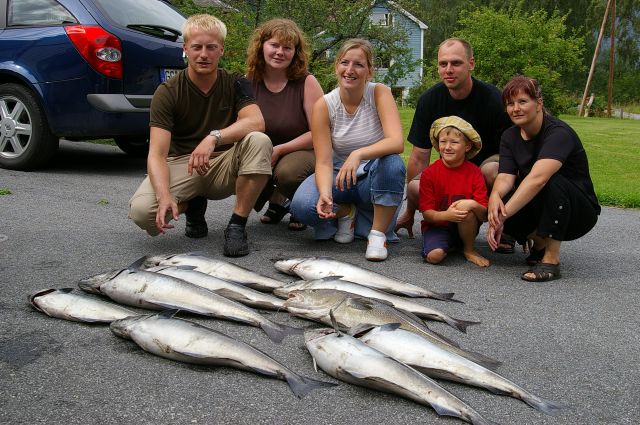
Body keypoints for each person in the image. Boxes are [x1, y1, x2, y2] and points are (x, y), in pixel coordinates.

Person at [128, 14, 272, 257]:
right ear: (185, 49)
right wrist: (164, 196)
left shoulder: (235, 82)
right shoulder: (167, 91)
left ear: (221, 49)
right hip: (182, 165)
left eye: (211, 47)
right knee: (143, 213)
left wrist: (213, 137)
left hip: (223, 163)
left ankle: (237, 225)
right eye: (197, 47)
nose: (204, 54)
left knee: (259, 140)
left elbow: (256, 122)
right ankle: (191, 204)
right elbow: (157, 155)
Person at [290, 39, 406, 261]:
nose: (350, 70)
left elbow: (396, 142)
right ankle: (346, 212)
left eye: (359, 64)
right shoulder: (324, 105)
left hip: (372, 176)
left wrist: (358, 154)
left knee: (393, 163)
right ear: (336, 66)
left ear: (370, 71)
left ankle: (377, 234)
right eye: (344, 62)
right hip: (339, 176)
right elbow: (323, 161)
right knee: (302, 207)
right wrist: (326, 193)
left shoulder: (379, 93)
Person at [395, 37, 512, 248]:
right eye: (443, 64)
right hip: (452, 168)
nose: (448, 70)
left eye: (456, 63)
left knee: (492, 171)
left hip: (485, 169)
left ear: (471, 64)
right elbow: (419, 157)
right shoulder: (429, 100)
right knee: (414, 187)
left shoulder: (493, 99)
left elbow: (513, 155)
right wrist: (410, 212)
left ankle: (505, 228)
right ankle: (449, 227)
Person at [487, 76, 600, 281]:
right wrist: (495, 198)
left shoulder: (558, 133)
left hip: (578, 212)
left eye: (523, 101)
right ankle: (539, 246)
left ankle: (551, 260)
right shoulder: (510, 136)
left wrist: (502, 217)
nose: (516, 109)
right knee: (499, 199)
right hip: (544, 204)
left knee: (551, 180)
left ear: (538, 103)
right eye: (510, 104)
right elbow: (505, 176)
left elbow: (538, 179)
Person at [246, 18, 324, 230]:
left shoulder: (307, 82)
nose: (280, 52)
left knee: (288, 173)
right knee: (240, 170)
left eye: (287, 48)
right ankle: (278, 199)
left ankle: (300, 204)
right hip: (263, 150)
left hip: (303, 150)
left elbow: (320, 133)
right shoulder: (249, 80)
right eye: (274, 45)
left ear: (295, 53)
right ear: (261, 46)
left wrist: (280, 150)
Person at [420, 116, 489, 267]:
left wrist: (472, 204)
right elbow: (427, 214)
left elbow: (483, 216)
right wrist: (447, 215)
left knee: (466, 207)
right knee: (435, 256)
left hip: (467, 226)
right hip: (437, 227)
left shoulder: (475, 172)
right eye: (443, 142)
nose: (447, 147)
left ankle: (469, 249)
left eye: (454, 142)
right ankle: (446, 245)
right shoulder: (429, 173)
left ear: (467, 146)